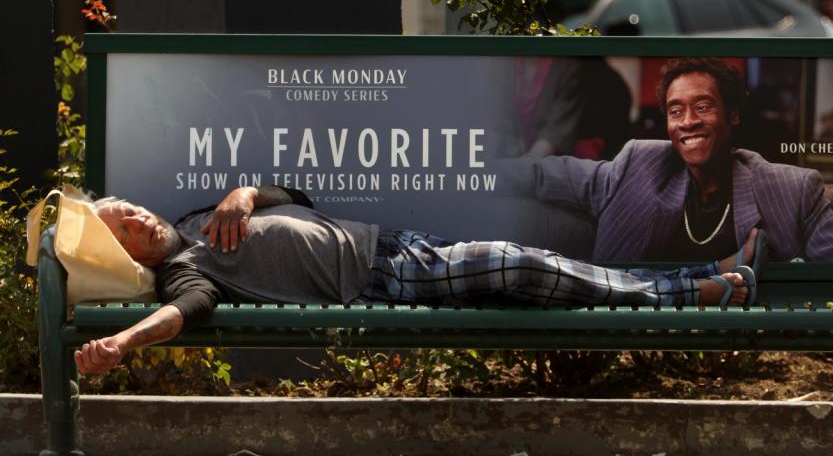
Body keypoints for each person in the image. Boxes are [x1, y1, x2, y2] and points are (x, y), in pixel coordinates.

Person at [74, 185, 761, 375]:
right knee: (521, 265)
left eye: (127, 205)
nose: (135, 214)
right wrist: (123, 344)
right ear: (125, 254)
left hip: (396, 247)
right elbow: (184, 315)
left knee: (536, 278)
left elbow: (299, 199)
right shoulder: (184, 272)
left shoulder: (201, 217)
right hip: (383, 282)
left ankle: (706, 277)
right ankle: (697, 289)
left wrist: (248, 192)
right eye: (121, 224)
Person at [500, 57, 833, 264]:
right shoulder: (638, 165)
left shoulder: (788, 188)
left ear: (732, 115)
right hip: (638, 339)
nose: (689, 122)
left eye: (702, 107)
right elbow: (547, 174)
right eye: (676, 111)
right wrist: (469, 176)